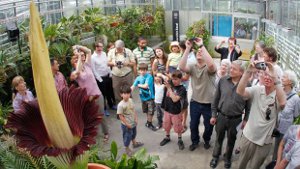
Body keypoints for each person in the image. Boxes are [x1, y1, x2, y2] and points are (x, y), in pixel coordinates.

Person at [236, 60, 286, 169]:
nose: (267, 77)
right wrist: (247, 72)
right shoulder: (257, 90)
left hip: (264, 142)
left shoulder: (278, 95)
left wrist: (275, 77)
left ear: (276, 78)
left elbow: (282, 103)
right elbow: (240, 92)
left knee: (255, 167)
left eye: (270, 75)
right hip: (248, 137)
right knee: (241, 165)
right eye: (265, 74)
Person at [209, 60, 251, 169]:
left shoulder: (247, 84)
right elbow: (216, 99)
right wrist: (214, 115)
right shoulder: (223, 81)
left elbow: (249, 105)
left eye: (234, 69)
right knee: (219, 138)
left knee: (232, 140)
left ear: (241, 72)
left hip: (236, 119)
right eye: (231, 67)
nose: (230, 70)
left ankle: (227, 158)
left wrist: (246, 119)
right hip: (221, 116)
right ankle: (215, 156)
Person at [179, 38, 217, 151]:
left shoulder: (209, 68)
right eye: (198, 52)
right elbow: (181, 67)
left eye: (202, 52)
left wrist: (201, 46)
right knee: (193, 125)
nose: (199, 53)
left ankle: (206, 140)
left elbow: (211, 66)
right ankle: (195, 141)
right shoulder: (192, 66)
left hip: (209, 103)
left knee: (209, 126)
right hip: (195, 101)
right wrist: (188, 48)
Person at [70, 45, 109, 142]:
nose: (82, 57)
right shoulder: (74, 73)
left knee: (101, 115)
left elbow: (88, 51)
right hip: (88, 98)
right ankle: (92, 136)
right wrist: (78, 57)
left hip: (97, 94)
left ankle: (106, 132)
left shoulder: (87, 65)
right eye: (80, 57)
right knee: (91, 118)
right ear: (74, 62)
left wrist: (78, 47)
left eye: (83, 56)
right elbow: (78, 71)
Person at [271, 70, 300, 163]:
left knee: (280, 148)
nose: (282, 78)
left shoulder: (296, 98)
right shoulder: (279, 92)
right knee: (275, 146)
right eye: (282, 76)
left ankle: (276, 163)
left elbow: (296, 114)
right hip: (275, 126)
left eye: (285, 77)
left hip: (285, 129)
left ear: (290, 82)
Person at [159, 70, 186, 150]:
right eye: (173, 79)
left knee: (178, 127)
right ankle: (167, 137)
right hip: (167, 110)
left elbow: (175, 99)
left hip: (176, 112)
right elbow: (163, 77)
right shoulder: (170, 83)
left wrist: (169, 89)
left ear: (180, 79)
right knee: (166, 125)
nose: (174, 81)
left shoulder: (182, 89)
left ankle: (180, 139)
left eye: (176, 79)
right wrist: (161, 74)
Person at [117, 84, 144, 156]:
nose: (127, 95)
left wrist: (136, 118)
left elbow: (133, 110)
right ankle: (126, 148)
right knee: (127, 136)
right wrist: (126, 124)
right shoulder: (120, 105)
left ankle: (134, 143)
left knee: (134, 134)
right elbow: (120, 116)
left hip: (133, 122)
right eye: (125, 93)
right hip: (126, 125)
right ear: (121, 94)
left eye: (128, 93)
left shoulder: (131, 100)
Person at [91, 41, 116, 116]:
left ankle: (111, 105)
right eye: (98, 47)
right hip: (100, 78)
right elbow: (93, 70)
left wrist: (110, 73)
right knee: (103, 94)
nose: (100, 48)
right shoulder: (92, 57)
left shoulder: (104, 53)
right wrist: (100, 79)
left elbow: (107, 64)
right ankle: (104, 109)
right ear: (95, 47)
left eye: (101, 47)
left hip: (107, 75)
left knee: (110, 92)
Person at [107, 40, 136, 104]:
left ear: (123, 46)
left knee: (128, 91)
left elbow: (133, 63)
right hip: (116, 75)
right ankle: (120, 109)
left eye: (120, 49)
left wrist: (127, 63)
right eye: (117, 49)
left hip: (127, 74)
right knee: (117, 92)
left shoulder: (128, 51)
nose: (118, 50)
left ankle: (130, 107)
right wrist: (114, 63)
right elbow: (108, 63)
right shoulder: (111, 52)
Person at [131, 63, 156, 131]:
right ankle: (148, 122)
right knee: (146, 111)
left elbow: (145, 86)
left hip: (150, 97)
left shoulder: (149, 76)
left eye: (144, 70)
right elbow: (133, 86)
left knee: (151, 111)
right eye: (141, 70)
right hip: (143, 98)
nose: (142, 72)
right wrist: (127, 91)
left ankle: (149, 123)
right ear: (139, 71)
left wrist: (138, 85)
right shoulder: (138, 78)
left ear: (146, 70)